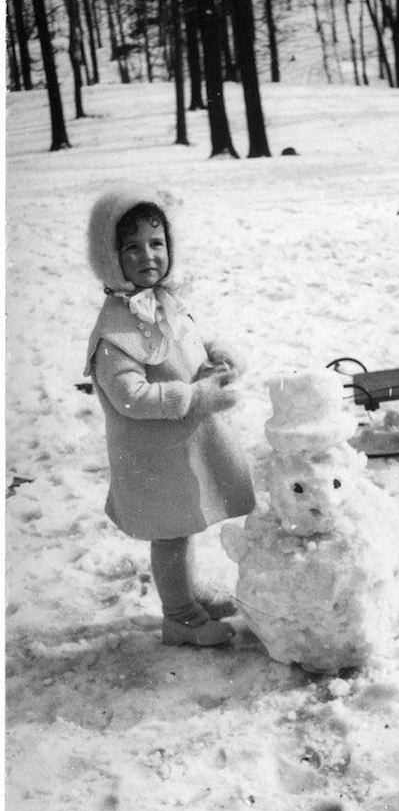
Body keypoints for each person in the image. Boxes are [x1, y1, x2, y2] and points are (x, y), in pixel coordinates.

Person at [84, 184, 256, 647]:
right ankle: (179, 616)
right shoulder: (116, 327)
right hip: (153, 454)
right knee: (170, 534)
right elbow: (129, 396)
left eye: (157, 244)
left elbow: (183, 344)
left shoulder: (165, 301)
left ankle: (190, 591)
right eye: (132, 248)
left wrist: (216, 354)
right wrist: (195, 397)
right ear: (109, 257)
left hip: (180, 447)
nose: (148, 257)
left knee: (185, 521)